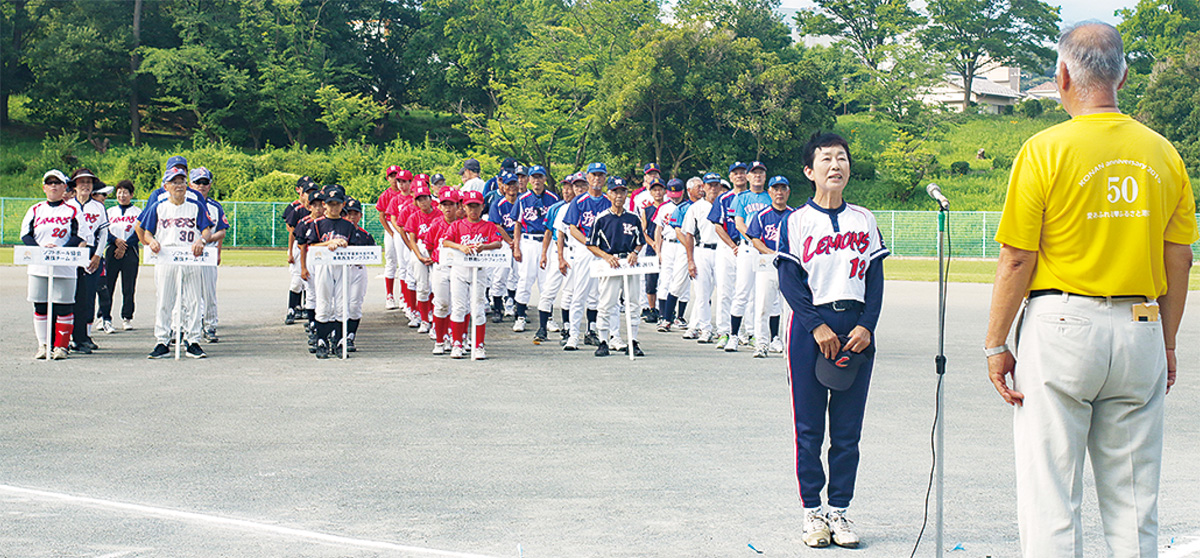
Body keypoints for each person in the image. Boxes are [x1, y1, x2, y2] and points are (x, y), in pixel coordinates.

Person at [984, 22, 1196, 558]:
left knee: (1052, 496)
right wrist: (1167, 342)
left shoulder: (1044, 149)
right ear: (1123, 75)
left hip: (1062, 327)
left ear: (1061, 76)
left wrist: (995, 344)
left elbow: (1016, 258)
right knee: (1133, 500)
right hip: (1140, 325)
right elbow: (1180, 256)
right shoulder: (1163, 153)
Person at [775, 133, 886, 548]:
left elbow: (874, 279)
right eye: (826, 159)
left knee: (847, 430)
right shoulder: (797, 220)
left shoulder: (864, 219)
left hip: (855, 327)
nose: (835, 165)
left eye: (842, 158)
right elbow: (790, 280)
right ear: (810, 171)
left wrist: (867, 324)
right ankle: (812, 513)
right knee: (808, 428)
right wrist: (815, 326)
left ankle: (839, 510)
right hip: (811, 329)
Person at [140, 167, 214, 359]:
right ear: (166, 186)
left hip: (190, 255)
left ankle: (193, 341)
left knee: (194, 301)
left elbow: (206, 229)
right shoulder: (159, 206)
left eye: (181, 181)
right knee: (165, 299)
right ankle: (162, 341)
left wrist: (202, 241)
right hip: (166, 255)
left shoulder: (195, 204)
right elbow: (146, 231)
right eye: (174, 182)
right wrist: (151, 241)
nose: (179, 186)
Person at [21, 170, 85, 360]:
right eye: (49, 183)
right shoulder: (35, 209)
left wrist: (60, 250)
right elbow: (26, 234)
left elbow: (79, 235)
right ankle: (44, 345)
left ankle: (61, 346)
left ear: (65, 187)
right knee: (40, 305)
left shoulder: (73, 210)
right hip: (39, 265)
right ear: (44, 187)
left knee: (64, 306)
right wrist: (41, 250)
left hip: (65, 266)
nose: (53, 186)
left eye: (57, 183)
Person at [306, 186, 374, 358]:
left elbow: (356, 248)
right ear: (324, 205)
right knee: (323, 304)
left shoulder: (348, 226)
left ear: (342, 204)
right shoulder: (318, 224)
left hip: (344, 268)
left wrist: (344, 245)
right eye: (330, 204)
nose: (333, 208)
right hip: (324, 267)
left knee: (341, 306)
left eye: (337, 204)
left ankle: (338, 341)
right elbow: (311, 245)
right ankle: (321, 341)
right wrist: (330, 243)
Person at [587, 177, 646, 357]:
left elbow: (639, 241)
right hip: (610, 263)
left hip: (629, 263)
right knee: (606, 303)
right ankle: (604, 340)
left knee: (633, 303)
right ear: (609, 194)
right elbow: (591, 244)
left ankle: (633, 341)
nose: (619, 196)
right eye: (615, 192)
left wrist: (635, 252)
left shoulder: (633, 218)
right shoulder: (602, 218)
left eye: (622, 192)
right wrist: (605, 256)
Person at [442, 189, 503, 359]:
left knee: (478, 308)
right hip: (460, 270)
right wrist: (460, 246)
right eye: (470, 206)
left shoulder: (488, 225)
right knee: (459, 307)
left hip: (480, 271)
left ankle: (479, 345)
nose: (473, 210)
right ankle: (457, 344)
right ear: (464, 207)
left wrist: (484, 246)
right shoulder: (457, 225)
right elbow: (446, 241)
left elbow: (498, 242)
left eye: (476, 206)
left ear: (483, 207)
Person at [562, 163, 613, 351]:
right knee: (579, 293)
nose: (597, 178)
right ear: (588, 177)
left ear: (605, 178)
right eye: (594, 175)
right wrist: (588, 243)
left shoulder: (609, 201)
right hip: (585, 250)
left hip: (605, 251)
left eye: (601, 175)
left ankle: (605, 336)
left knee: (605, 295)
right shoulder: (579, 201)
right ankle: (573, 336)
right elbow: (572, 227)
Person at [745, 176, 795, 358]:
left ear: (788, 192)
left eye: (783, 189)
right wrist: (770, 253)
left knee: (789, 308)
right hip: (767, 265)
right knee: (763, 306)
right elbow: (755, 238)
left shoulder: (795, 215)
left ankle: (788, 346)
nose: (779, 193)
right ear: (770, 192)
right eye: (776, 189)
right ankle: (761, 344)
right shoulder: (762, 215)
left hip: (788, 266)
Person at [537, 174, 588, 344]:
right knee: (549, 288)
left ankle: (567, 328)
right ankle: (542, 327)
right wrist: (550, 255)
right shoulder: (558, 208)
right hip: (560, 251)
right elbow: (552, 233)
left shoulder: (584, 205)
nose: (569, 189)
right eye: (567, 186)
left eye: (572, 186)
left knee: (570, 292)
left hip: (578, 252)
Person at [727, 161, 771, 351]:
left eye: (761, 172)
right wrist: (755, 241)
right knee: (742, 292)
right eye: (754, 173)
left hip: (765, 250)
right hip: (748, 247)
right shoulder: (742, 198)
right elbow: (738, 223)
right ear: (748, 177)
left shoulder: (771, 197)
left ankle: (764, 337)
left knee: (765, 294)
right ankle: (734, 335)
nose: (758, 176)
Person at [511, 165, 560, 334]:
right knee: (524, 279)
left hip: (547, 242)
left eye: (540, 177)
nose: (537, 181)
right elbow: (517, 224)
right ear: (529, 180)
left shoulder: (553, 199)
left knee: (547, 281)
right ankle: (520, 317)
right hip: (529, 241)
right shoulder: (523, 199)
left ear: (545, 179)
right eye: (534, 177)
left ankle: (549, 318)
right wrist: (516, 247)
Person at [65, 168, 108, 354]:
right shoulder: (67, 206)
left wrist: (98, 255)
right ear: (74, 185)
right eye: (81, 182)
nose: (85, 186)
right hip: (70, 252)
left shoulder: (98, 206)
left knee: (87, 296)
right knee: (69, 295)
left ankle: (83, 336)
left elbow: (103, 233)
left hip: (91, 253)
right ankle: (66, 336)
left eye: (89, 182)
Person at [679, 172, 724, 343]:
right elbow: (688, 235)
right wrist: (690, 260)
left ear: (720, 187)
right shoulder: (696, 207)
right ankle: (705, 328)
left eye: (715, 185)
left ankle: (723, 329)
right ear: (703, 187)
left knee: (724, 293)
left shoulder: (725, 204)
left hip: (722, 250)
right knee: (702, 293)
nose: (713, 188)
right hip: (702, 250)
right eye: (709, 185)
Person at [709, 161, 748, 349]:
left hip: (750, 247)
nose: (739, 176)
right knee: (725, 290)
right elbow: (717, 225)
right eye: (736, 173)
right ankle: (724, 331)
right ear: (730, 177)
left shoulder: (754, 197)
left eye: (742, 172)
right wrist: (733, 246)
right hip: (728, 247)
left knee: (748, 291)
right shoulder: (724, 198)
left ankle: (747, 331)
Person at [190, 167, 229, 343]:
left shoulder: (214, 206)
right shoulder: (186, 204)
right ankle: (190, 326)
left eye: (205, 182)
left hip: (208, 253)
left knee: (209, 291)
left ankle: (210, 325)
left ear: (210, 185)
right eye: (197, 182)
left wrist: (208, 241)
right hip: (188, 254)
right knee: (189, 292)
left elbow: (222, 231)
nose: (201, 186)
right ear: (190, 183)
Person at [423, 187, 462, 354]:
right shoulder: (436, 224)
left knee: (459, 305)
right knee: (441, 304)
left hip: (460, 268)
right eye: (444, 204)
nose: (448, 208)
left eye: (451, 204)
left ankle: (459, 338)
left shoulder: (462, 224)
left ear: (458, 206)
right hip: (441, 267)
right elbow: (429, 246)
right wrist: (437, 260)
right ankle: (440, 340)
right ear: (439, 206)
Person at [402, 182, 444, 334]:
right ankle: (424, 320)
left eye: (425, 198)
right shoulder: (414, 217)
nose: (423, 202)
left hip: (436, 249)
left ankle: (434, 318)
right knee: (422, 286)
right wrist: (419, 255)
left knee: (436, 285)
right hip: (420, 249)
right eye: (420, 199)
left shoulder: (439, 215)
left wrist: (434, 255)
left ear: (430, 199)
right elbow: (412, 239)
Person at [101, 180, 141, 332]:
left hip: (130, 251)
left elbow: (139, 232)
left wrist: (125, 246)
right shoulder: (110, 212)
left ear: (131, 194)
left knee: (128, 286)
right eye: (119, 192)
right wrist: (116, 242)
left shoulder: (137, 212)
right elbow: (105, 231)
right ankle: (104, 317)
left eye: (125, 192)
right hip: (112, 249)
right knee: (108, 285)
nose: (122, 195)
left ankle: (127, 317)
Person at [486, 172, 520, 323]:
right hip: (503, 242)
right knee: (500, 275)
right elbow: (496, 225)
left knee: (518, 275)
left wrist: (516, 242)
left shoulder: (522, 201)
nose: (511, 187)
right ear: (503, 187)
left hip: (520, 240)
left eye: (514, 184)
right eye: (509, 185)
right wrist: (510, 242)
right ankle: (498, 308)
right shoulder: (498, 203)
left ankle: (513, 305)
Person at [342, 197, 375, 352]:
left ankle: (350, 336)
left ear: (360, 215)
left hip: (358, 270)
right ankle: (338, 335)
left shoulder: (365, 235)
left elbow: (373, 252)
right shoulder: (338, 233)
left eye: (355, 213)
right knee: (340, 304)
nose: (352, 217)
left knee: (355, 305)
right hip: (341, 270)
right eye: (349, 213)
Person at [652, 178, 684, 332]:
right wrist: (658, 250)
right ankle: (664, 315)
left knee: (682, 280)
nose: (674, 196)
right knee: (665, 279)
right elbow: (658, 230)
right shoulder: (664, 207)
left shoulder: (688, 207)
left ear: (683, 192)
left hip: (683, 245)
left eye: (677, 193)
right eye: (671, 193)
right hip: (668, 244)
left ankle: (680, 316)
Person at [286, 180, 319, 324]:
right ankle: (292, 309)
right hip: (299, 247)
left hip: (314, 249)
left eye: (313, 192)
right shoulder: (298, 211)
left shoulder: (320, 211)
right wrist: (290, 252)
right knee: (296, 282)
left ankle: (309, 309)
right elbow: (292, 232)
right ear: (302, 194)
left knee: (311, 281)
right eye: (308, 192)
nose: (310, 195)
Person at [375, 165, 405, 310]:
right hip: (391, 226)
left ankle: (404, 295)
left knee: (405, 262)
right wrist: (391, 232)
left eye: (397, 176)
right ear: (388, 178)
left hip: (405, 226)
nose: (394, 179)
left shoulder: (407, 193)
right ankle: (389, 295)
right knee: (391, 260)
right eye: (392, 176)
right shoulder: (386, 195)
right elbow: (382, 216)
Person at [638, 178, 666, 324]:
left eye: (660, 189)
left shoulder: (668, 207)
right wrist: (653, 243)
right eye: (654, 190)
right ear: (650, 192)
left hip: (666, 248)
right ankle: (651, 308)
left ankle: (665, 309)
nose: (658, 192)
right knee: (650, 280)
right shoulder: (647, 210)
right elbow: (643, 231)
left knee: (666, 279)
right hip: (651, 248)